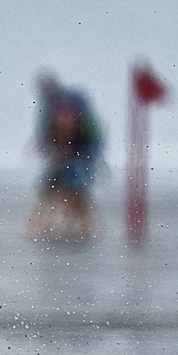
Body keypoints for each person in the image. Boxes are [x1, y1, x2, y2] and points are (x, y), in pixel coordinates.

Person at [27, 72, 104, 241]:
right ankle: (73, 228)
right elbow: (50, 134)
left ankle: (75, 228)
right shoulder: (54, 107)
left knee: (71, 193)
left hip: (75, 161)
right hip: (69, 160)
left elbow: (61, 134)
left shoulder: (64, 107)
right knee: (60, 192)